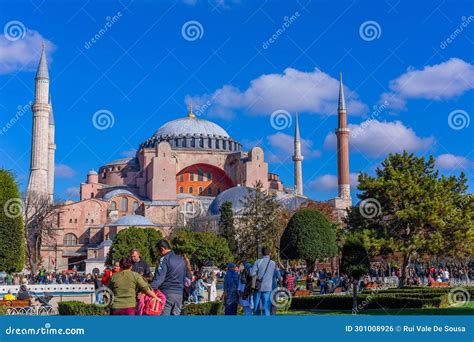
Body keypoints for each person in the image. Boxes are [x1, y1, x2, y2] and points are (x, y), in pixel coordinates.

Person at [151, 240, 187, 316]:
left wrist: (148, 289)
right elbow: (184, 278)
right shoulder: (181, 260)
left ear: (162, 249)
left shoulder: (164, 259)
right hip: (179, 295)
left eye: (158, 251)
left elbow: (159, 279)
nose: (158, 254)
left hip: (166, 293)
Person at [250, 247, 276, 316]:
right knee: (266, 308)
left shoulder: (258, 261)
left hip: (258, 287)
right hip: (268, 288)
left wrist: (259, 276)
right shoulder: (273, 263)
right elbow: (275, 275)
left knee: (256, 308)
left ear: (262, 253)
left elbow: (252, 273)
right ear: (270, 253)